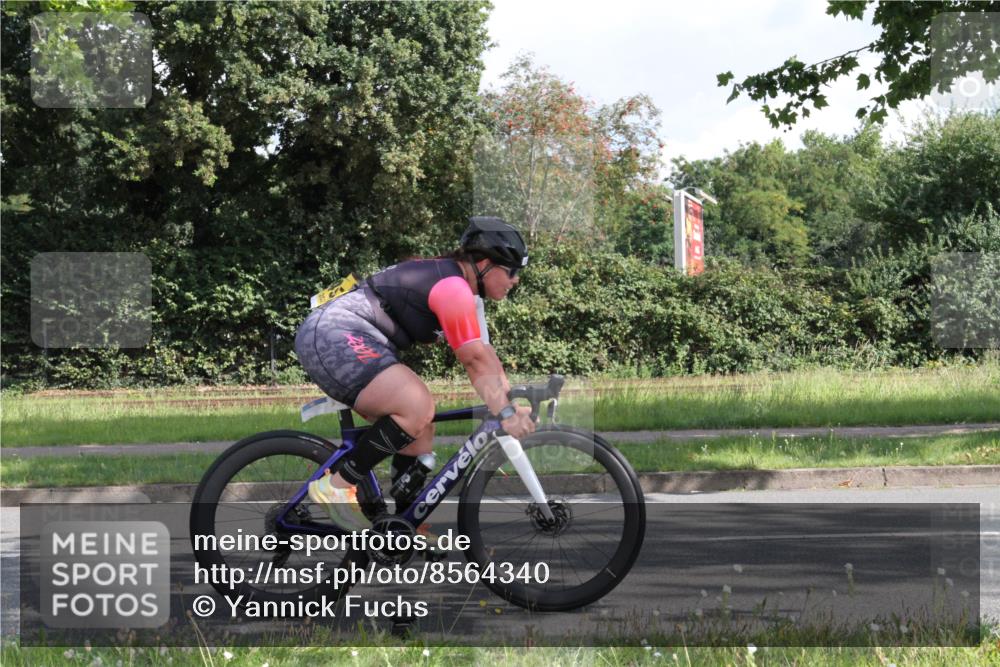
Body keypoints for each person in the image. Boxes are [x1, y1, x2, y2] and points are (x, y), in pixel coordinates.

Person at [295, 217, 536, 532]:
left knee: (420, 429)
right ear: (487, 265)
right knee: (416, 404)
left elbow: (486, 357)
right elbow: (473, 361)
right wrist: (504, 412)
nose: (515, 280)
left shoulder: (467, 294)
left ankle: (406, 525)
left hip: (351, 335)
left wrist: (508, 402)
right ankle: (337, 485)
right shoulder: (453, 288)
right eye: (513, 271)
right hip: (333, 332)